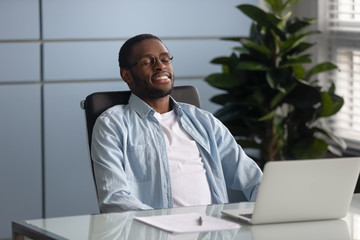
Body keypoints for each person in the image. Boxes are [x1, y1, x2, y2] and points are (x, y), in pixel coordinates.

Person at [91, 33, 262, 213]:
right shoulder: (112, 125)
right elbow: (114, 199)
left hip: (214, 231)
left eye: (165, 59)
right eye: (148, 62)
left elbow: (255, 180)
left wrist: (265, 213)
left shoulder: (204, 121)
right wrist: (164, 223)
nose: (160, 66)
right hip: (155, 232)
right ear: (127, 75)